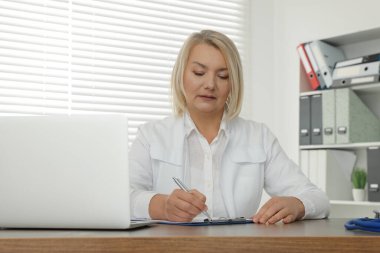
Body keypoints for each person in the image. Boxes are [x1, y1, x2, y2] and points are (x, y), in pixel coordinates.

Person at [129, 30, 329, 224]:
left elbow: (318, 198)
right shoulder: (151, 136)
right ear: (181, 75)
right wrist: (162, 206)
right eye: (199, 72)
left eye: (223, 76)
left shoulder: (259, 137)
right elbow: (121, 196)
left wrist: (297, 204)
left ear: (233, 84)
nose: (210, 84)